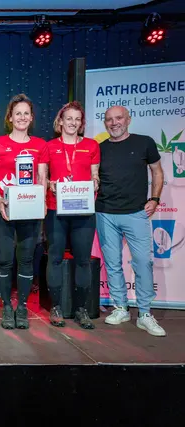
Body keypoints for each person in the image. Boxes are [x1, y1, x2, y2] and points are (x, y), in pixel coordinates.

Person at [96, 105, 165, 337]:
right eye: (109, 119)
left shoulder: (144, 142)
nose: (114, 123)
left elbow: (157, 171)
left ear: (128, 119)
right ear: (105, 123)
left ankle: (145, 313)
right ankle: (121, 308)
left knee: (143, 262)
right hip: (105, 213)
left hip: (136, 213)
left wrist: (155, 198)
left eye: (118, 118)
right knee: (113, 263)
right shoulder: (99, 148)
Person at [0, 93, 49, 330]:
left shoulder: (40, 145)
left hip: (29, 212)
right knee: (4, 261)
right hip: (2, 210)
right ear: (10, 118)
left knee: (26, 260)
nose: (22, 117)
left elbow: (42, 177)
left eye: (26, 113)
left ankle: (21, 306)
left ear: (31, 118)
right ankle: (6, 306)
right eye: (17, 113)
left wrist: (41, 201)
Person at [45, 101, 100, 329]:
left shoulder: (91, 145)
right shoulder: (49, 147)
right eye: (69, 118)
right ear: (60, 121)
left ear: (82, 123)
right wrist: (50, 184)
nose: (73, 123)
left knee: (83, 260)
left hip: (83, 210)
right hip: (56, 209)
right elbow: (43, 178)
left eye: (77, 119)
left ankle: (81, 309)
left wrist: (94, 183)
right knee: (55, 258)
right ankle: (56, 307)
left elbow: (95, 175)